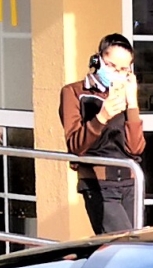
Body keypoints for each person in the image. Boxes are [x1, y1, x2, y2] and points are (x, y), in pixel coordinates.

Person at [58, 34, 144, 234]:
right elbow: (75, 145)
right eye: (112, 66)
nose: (117, 73)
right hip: (99, 183)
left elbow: (136, 148)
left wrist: (132, 104)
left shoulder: (125, 93)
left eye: (124, 69)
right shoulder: (74, 92)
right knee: (122, 245)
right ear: (97, 60)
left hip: (130, 181)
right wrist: (101, 117)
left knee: (137, 248)